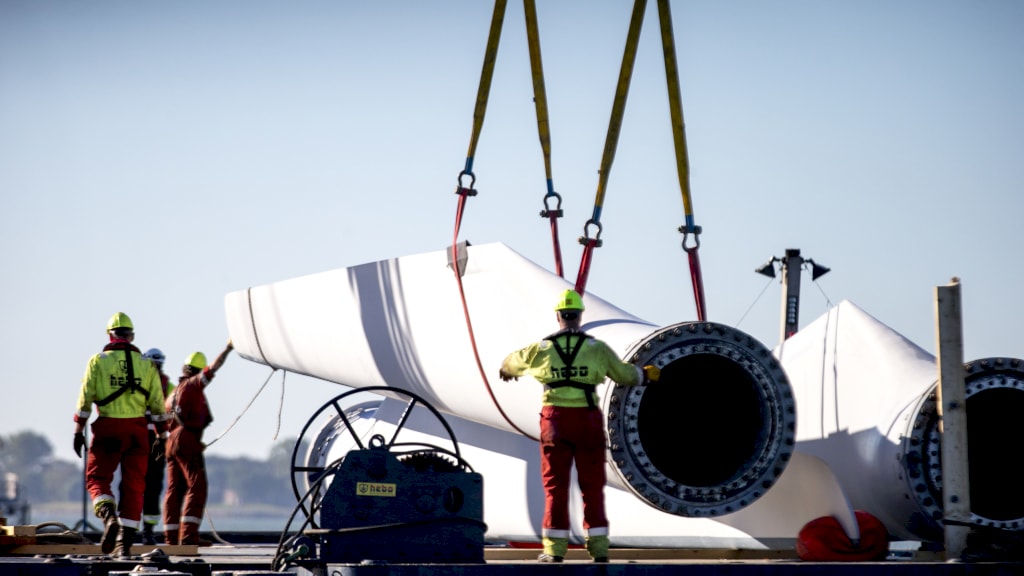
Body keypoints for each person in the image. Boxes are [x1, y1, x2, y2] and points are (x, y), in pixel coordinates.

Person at [498, 289, 659, 563]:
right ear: (580, 315)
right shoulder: (597, 349)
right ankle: (598, 550)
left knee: (555, 487)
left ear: (559, 316)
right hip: (586, 421)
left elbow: (510, 363)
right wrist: (646, 376)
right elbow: (625, 375)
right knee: (592, 486)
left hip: (555, 422)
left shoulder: (541, 349)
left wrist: (506, 370)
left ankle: (554, 550)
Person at [73, 312, 169, 557]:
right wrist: (162, 436)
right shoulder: (147, 364)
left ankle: (108, 518)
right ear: (132, 336)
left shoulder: (98, 360)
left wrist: (78, 430)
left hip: (107, 427)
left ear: (109, 335)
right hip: (137, 432)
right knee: (135, 487)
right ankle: (123, 545)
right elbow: (158, 405)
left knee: (97, 479)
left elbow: (85, 400)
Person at [162, 340, 233, 546]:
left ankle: (172, 538)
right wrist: (228, 348)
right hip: (185, 440)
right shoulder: (193, 385)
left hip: (172, 442)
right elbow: (214, 368)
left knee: (174, 490)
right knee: (197, 486)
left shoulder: (172, 394)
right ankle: (188, 537)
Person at [139, 348, 175, 545]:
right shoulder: (168, 386)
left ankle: (134, 531)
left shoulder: (137, 384)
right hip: (157, 440)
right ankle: (146, 532)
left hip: (143, 439)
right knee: (151, 486)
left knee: (137, 485)